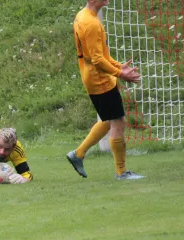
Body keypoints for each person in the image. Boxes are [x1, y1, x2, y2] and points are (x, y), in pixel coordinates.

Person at [67, 0, 145, 180]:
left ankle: (78, 154)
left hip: (94, 77)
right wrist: (120, 73)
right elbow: (97, 60)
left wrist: (118, 66)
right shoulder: (91, 23)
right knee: (118, 122)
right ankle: (121, 172)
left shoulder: (83, 16)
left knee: (108, 119)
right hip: (99, 79)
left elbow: (101, 55)